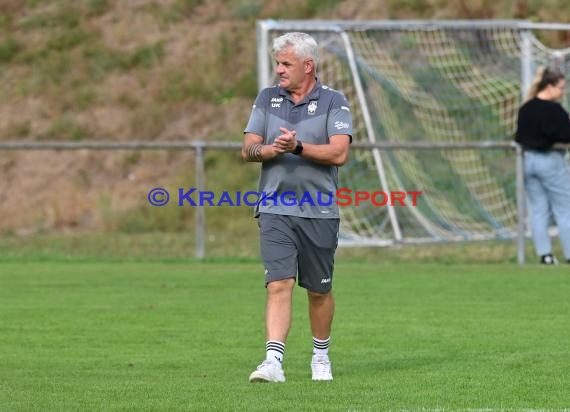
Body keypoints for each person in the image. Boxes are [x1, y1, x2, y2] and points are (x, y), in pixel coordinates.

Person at [241, 32, 353, 382]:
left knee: (319, 290)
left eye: (286, 64)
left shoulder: (335, 101)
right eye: (277, 63)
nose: (279, 70)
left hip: (320, 210)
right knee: (279, 283)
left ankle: (321, 356)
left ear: (308, 66)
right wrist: (272, 151)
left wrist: (298, 147)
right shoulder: (266, 99)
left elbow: (339, 153)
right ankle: (273, 361)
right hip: (274, 208)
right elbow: (248, 149)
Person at [515, 66, 570, 264]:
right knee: (565, 208)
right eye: (561, 87)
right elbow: (564, 134)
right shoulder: (554, 110)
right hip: (550, 160)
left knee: (538, 210)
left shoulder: (526, 108)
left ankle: (545, 255)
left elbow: (520, 136)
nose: (563, 92)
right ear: (550, 86)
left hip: (528, 161)